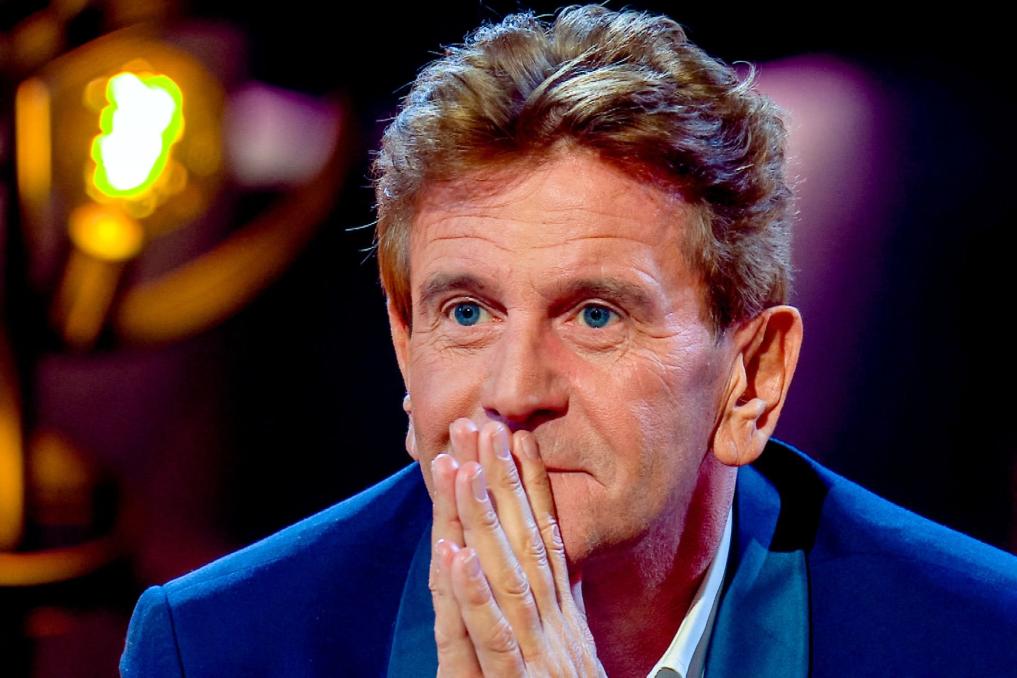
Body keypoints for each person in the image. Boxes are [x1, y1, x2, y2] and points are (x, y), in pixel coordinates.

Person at [120, 6, 1017, 677]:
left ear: (751, 378)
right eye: (465, 313)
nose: (513, 392)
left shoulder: (980, 640)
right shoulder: (218, 648)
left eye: (595, 315)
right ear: (403, 346)